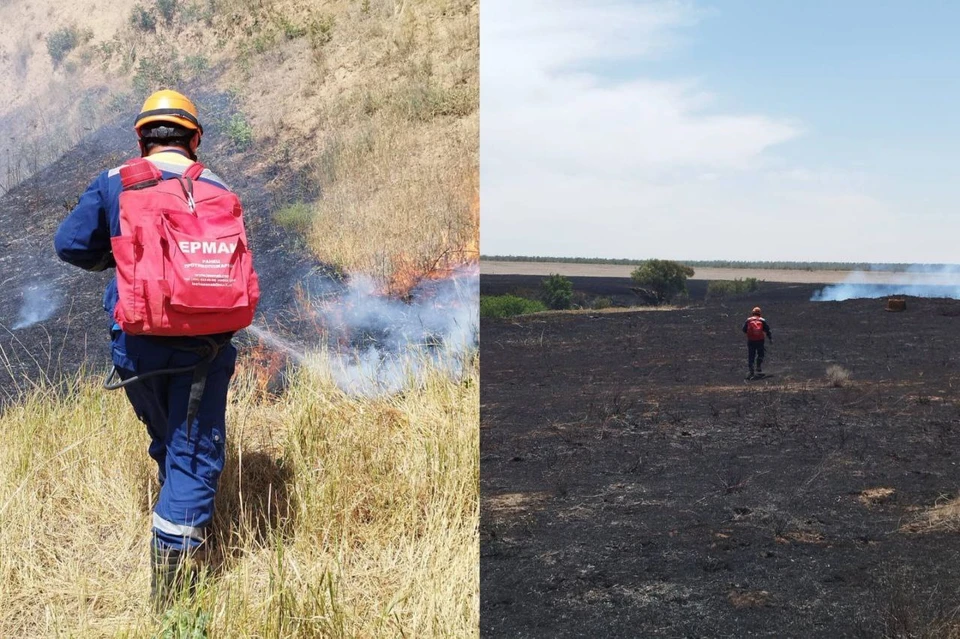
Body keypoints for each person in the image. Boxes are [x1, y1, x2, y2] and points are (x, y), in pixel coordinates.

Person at [54, 89, 240, 610]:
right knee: (194, 454)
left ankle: (172, 518)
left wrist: (123, 264)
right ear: (194, 138)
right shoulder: (216, 186)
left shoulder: (116, 181)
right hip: (202, 348)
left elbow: (68, 244)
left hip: (135, 345)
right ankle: (173, 605)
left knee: (168, 437)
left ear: (142, 138)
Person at [742, 306, 772, 379]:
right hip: (760, 340)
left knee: (751, 355)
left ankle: (751, 370)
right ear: (760, 314)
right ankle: (758, 367)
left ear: (752, 313)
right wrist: (770, 338)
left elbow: (744, 329)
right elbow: (767, 330)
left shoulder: (748, 320)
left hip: (751, 340)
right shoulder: (762, 320)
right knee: (760, 354)